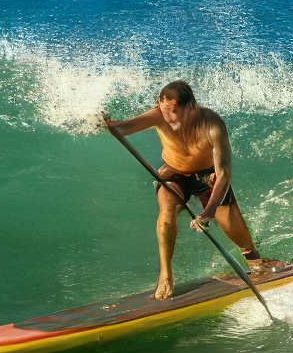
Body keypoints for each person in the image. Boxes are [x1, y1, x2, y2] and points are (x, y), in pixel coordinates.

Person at [104, 80, 269, 300]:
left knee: (235, 231)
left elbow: (224, 174)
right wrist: (106, 124)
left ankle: (256, 262)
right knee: (165, 215)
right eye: (164, 110)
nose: (168, 117)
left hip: (207, 176)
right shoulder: (158, 115)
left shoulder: (212, 125)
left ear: (190, 106)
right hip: (173, 173)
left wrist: (208, 213)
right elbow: (123, 127)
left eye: (174, 112)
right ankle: (165, 275)